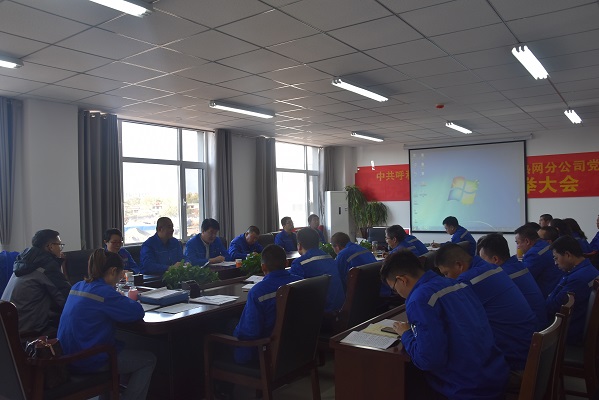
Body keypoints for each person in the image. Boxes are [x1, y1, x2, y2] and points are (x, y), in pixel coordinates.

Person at [381, 250, 509, 399]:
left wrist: (406, 334)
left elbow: (428, 360)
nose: (397, 293)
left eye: (394, 289)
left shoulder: (419, 299)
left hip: (469, 388)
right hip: (495, 374)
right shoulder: (456, 283)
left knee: (408, 382)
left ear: (402, 280)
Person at [58, 250, 156, 400]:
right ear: (112, 271)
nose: (119, 280)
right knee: (148, 360)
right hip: (88, 360)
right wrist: (122, 298)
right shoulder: (104, 293)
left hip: (67, 357)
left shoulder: (77, 286)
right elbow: (137, 312)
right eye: (120, 275)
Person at [435, 244, 537, 372]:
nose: (446, 278)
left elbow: (455, 319)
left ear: (459, 265)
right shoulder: (492, 267)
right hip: (528, 345)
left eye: (446, 273)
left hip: (514, 358)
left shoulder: (467, 280)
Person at [233, 244, 302, 364]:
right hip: (296, 346)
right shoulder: (300, 281)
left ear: (263, 267)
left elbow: (249, 333)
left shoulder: (258, 291)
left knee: (227, 326)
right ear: (286, 263)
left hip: (265, 351)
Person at [1, 229, 71, 336]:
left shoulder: (24, 263)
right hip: (27, 333)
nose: (61, 249)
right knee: (70, 327)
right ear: (50, 247)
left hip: (8, 329)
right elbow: (66, 299)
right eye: (59, 245)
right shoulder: (46, 267)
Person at [477, 233, 548, 330]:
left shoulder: (503, 276)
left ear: (495, 259)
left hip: (532, 330)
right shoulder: (517, 265)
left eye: (483, 260)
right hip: (540, 323)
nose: (481, 265)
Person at [547, 236, 599, 345]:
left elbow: (552, 307)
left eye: (556, 258)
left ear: (567, 255)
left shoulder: (577, 279)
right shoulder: (590, 269)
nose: (555, 263)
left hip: (570, 334)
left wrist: (550, 295)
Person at [291, 228, 344, 312]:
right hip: (340, 308)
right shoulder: (329, 258)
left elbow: (293, 293)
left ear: (299, 245)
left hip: (322, 313)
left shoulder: (299, 263)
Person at [515, 224, 564, 297]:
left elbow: (523, 278)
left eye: (517, 243)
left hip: (547, 294)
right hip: (556, 287)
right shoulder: (543, 244)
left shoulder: (534, 254)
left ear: (527, 241)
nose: (518, 247)